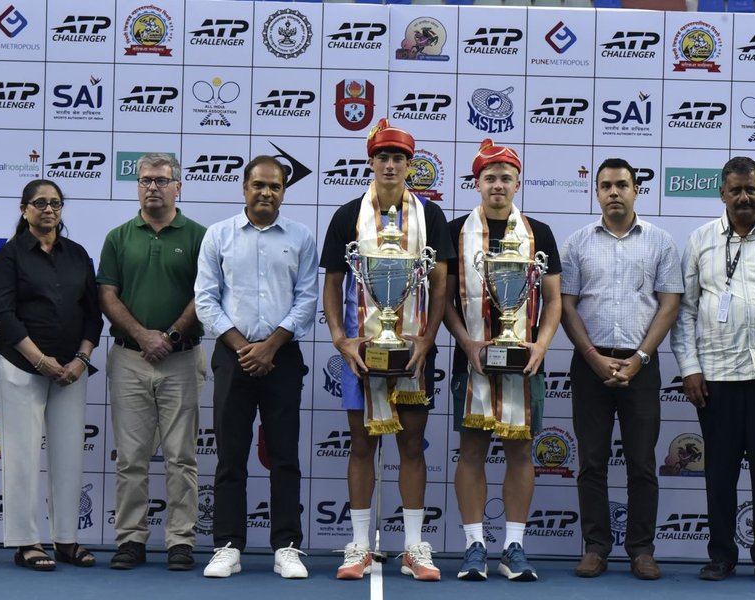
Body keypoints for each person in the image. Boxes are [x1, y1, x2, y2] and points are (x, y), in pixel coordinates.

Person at [321, 118, 453, 581]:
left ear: (410, 165)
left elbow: (441, 284)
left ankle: (415, 545)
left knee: (412, 444)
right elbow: (332, 284)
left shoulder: (430, 216)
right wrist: (340, 338)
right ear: (371, 163)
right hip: (361, 351)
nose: (391, 165)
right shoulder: (346, 216)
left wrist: (428, 336)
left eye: (399, 158)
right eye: (383, 157)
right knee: (362, 444)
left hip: (414, 350)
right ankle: (358, 544)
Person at [671, 156, 755, 585]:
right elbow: (684, 312)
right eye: (735, 190)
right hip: (717, 379)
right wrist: (689, 369)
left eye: (751, 189)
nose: (743, 197)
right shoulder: (701, 240)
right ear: (722, 193)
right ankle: (720, 555)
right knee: (719, 474)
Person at [195, 155, 318, 579]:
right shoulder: (218, 235)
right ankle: (227, 545)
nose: (266, 192)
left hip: (282, 357)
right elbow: (206, 299)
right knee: (231, 456)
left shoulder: (301, 237)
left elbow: (307, 299)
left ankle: (286, 546)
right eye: (258, 185)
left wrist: (270, 346)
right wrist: (244, 346)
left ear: (284, 191)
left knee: (284, 456)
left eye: (275, 186)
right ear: (244, 188)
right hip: (233, 356)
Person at [444, 140, 561, 581]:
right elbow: (446, 302)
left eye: (505, 178)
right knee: (472, 450)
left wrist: (541, 345)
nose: (497, 185)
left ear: (518, 183)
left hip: (524, 359)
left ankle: (514, 546)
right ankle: (475, 545)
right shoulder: (456, 231)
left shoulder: (540, 233)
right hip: (471, 361)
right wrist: (467, 343)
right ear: (477, 183)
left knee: (520, 449)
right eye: (489, 178)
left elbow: (553, 301)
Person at [560, 158, 683, 580]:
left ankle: (641, 549)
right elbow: (567, 305)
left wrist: (639, 359)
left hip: (641, 364)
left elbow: (669, 305)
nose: (614, 192)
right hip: (589, 364)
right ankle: (595, 547)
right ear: (596, 192)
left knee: (642, 463)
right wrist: (593, 358)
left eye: (622, 185)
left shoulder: (661, 242)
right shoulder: (577, 243)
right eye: (606, 186)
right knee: (592, 461)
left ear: (636, 190)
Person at [97, 153, 207, 571]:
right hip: (129, 358)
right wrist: (144, 335)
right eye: (145, 180)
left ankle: (180, 541)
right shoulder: (119, 237)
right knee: (130, 457)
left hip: (182, 357)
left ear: (179, 186)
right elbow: (107, 294)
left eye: (162, 180)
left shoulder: (198, 236)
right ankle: (130, 540)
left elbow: (205, 294)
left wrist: (172, 335)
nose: (152, 187)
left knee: (182, 457)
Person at [0, 179, 103, 570]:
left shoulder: (77, 254)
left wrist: (80, 359)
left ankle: (67, 540)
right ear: (24, 209)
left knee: (70, 456)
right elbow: (2, 315)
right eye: (40, 203)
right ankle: (26, 542)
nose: (49, 209)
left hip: (71, 371)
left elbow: (93, 314)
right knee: (21, 456)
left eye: (55, 203)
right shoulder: (10, 255)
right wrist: (40, 360)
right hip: (20, 366)